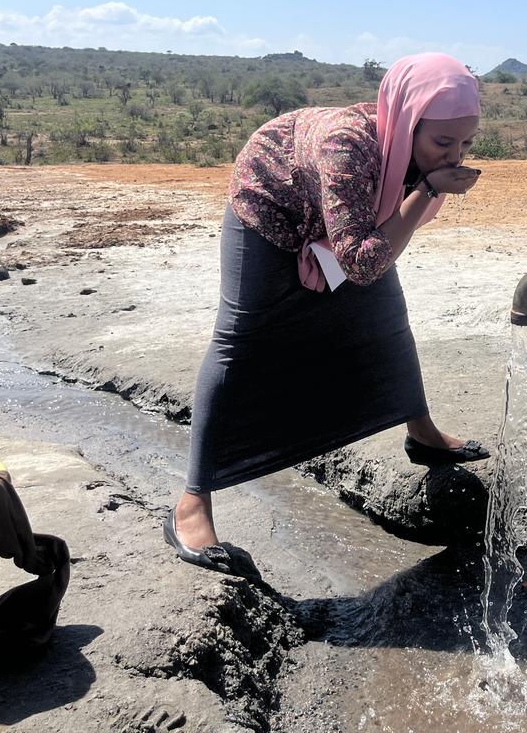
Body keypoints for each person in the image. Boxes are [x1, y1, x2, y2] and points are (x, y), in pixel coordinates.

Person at [164, 52, 490, 576]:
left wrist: (425, 179)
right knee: (238, 341)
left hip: (338, 221)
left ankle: (422, 432)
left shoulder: (410, 151)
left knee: (387, 316)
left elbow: (369, 255)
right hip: (269, 208)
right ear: (408, 123)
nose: (454, 155)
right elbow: (361, 261)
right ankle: (192, 504)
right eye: (442, 143)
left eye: (465, 144)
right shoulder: (348, 146)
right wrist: (428, 188)